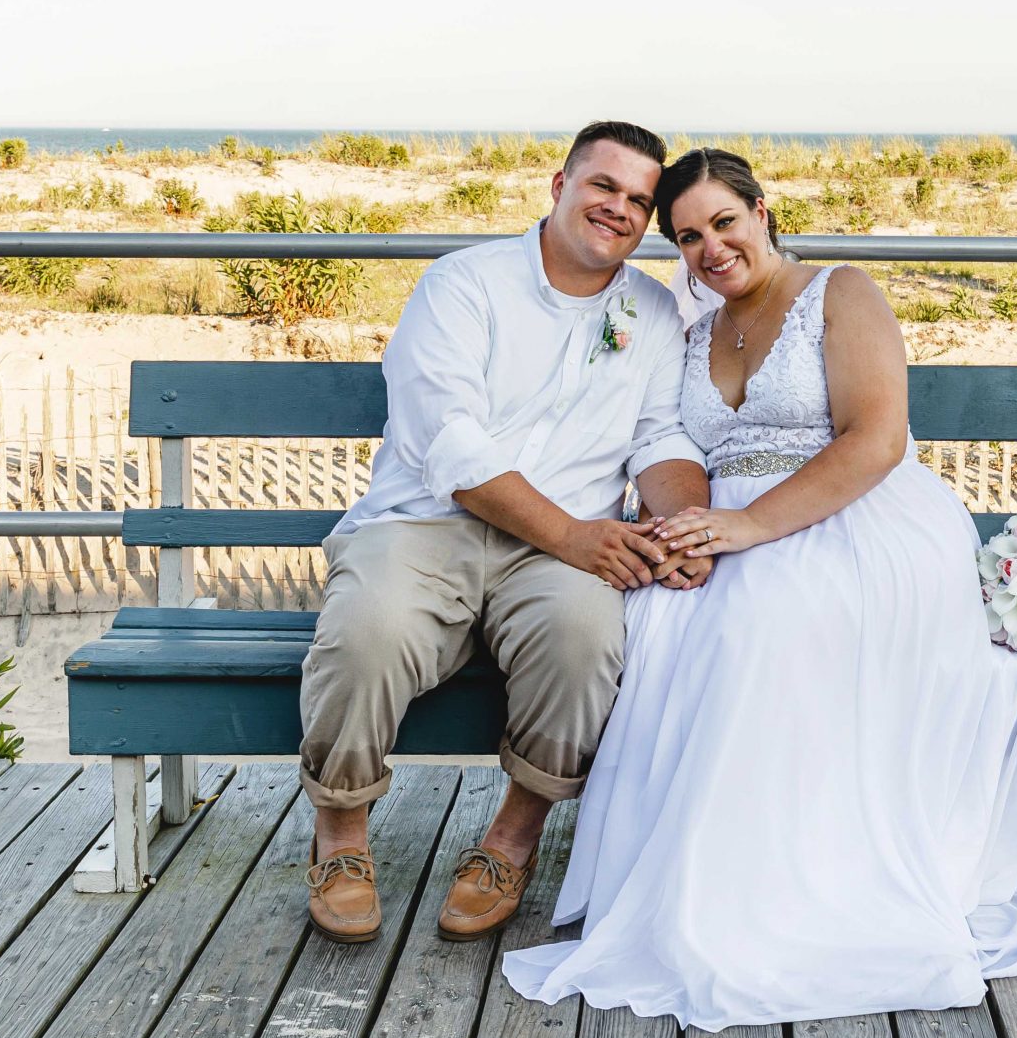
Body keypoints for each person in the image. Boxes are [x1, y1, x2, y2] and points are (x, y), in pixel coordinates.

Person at [502, 149, 1017, 1028]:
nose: (710, 248)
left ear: (761, 211)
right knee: (664, 618)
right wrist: (686, 530)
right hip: (722, 520)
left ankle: (795, 892)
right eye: (686, 237)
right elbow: (667, 441)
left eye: (724, 222)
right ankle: (700, 882)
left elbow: (875, 441)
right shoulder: (690, 325)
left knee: (760, 623)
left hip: (853, 515)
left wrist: (748, 528)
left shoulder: (840, 292)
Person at [300, 121, 711, 944]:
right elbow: (449, 440)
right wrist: (573, 537)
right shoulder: (465, 284)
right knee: (367, 630)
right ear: (560, 187)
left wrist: (681, 525)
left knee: (586, 637)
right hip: (426, 526)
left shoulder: (654, 311)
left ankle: (511, 841)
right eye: (604, 185)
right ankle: (340, 836)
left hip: (560, 556)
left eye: (639, 200)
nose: (618, 208)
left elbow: (660, 435)